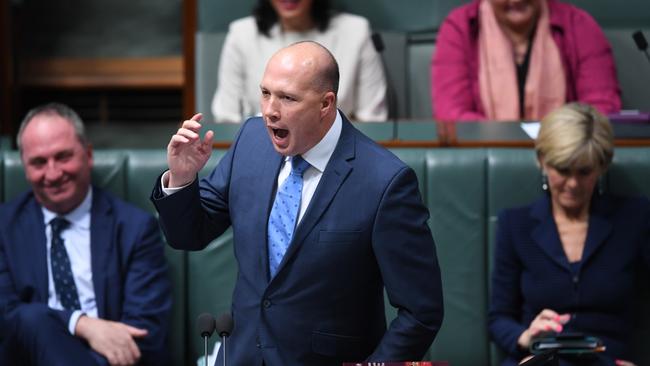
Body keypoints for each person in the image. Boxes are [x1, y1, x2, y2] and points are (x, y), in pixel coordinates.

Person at [152, 41, 443, 365]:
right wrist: (181, 179)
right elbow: (189, 234)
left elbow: (421, 312)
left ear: (325, 104)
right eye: (265, 93)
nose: (269, 110)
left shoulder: (384, 182)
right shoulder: (251, 140)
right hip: (243, 355)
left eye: (287, 98)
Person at [0, 103, 172, 366]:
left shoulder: (134, 229)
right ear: (24, 167)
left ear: (88, 155)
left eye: (63, 157)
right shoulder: (4, 228)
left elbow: (144, 333)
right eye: (38, 162)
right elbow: (7, 319)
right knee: (30, 320)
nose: (53, 173)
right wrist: (81, 324)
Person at [488, 103, 649, 365]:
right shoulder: (516, 224)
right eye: (563, 170)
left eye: (584, 172)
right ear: (542, 161)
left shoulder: (634, 217)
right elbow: (499, 318)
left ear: (601, 166)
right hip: (540, 358)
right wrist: (526, 336)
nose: (573, 184)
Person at [431, 0, 621, 122]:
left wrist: (556, 140)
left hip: (566, 161)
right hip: (488, 158)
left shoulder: (580, 26)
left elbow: (601, 110)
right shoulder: (460, 28)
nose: (515, 0)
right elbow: (451, 115)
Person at [211, 0, 387, 123]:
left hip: (336, 154)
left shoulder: (356, 31)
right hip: (263, 150)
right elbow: (227, 118)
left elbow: (371, 119)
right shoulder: (241, 34)